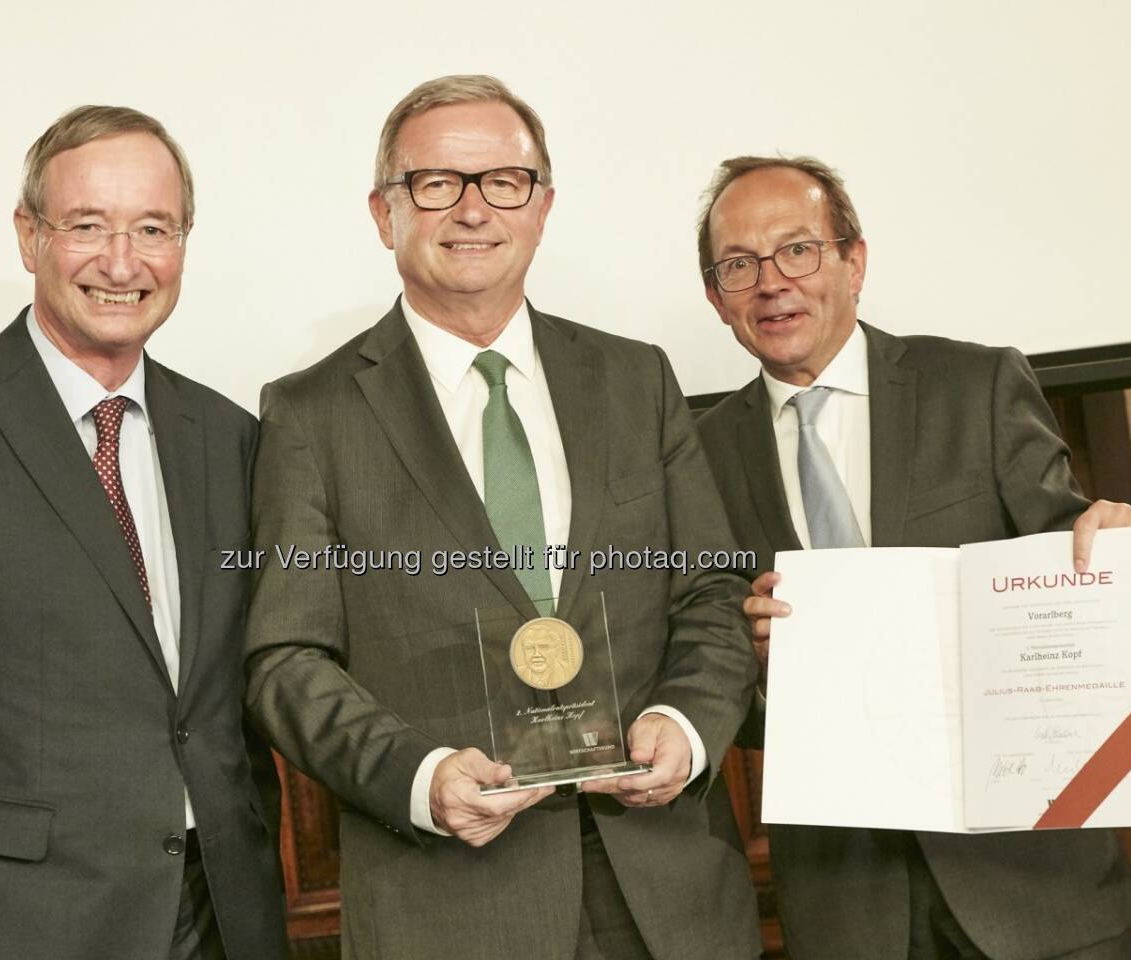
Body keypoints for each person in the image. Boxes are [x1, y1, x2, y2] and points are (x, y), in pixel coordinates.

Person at [246, 75, 760, 960]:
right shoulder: (311, 414)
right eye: (437, 183)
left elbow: (712, 593)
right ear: (384, 213)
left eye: (504, 182)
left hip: (671, 896)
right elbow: (286, 661)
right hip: (450, 906)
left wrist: (683, 724)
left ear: (543, 207)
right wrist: (416, 777)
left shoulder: (636, 380)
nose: (473, 209)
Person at [693, 155, 1131, 960]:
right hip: (848, 902)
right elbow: (720, 692)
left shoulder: (975, 384)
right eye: (738, 266)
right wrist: (751, 663)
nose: (771, 283)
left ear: (853, 261)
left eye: (798, 250)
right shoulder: (698, 456)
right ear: (716, 299)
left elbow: (1084, 555)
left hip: (1034, 887)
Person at [0, 105, 288, 960]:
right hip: (23, 924)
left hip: (223, 915)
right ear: (28, 236)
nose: (122, 261)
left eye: (153, 227)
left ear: (184, 241)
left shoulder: (228, 437)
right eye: (87, 226)